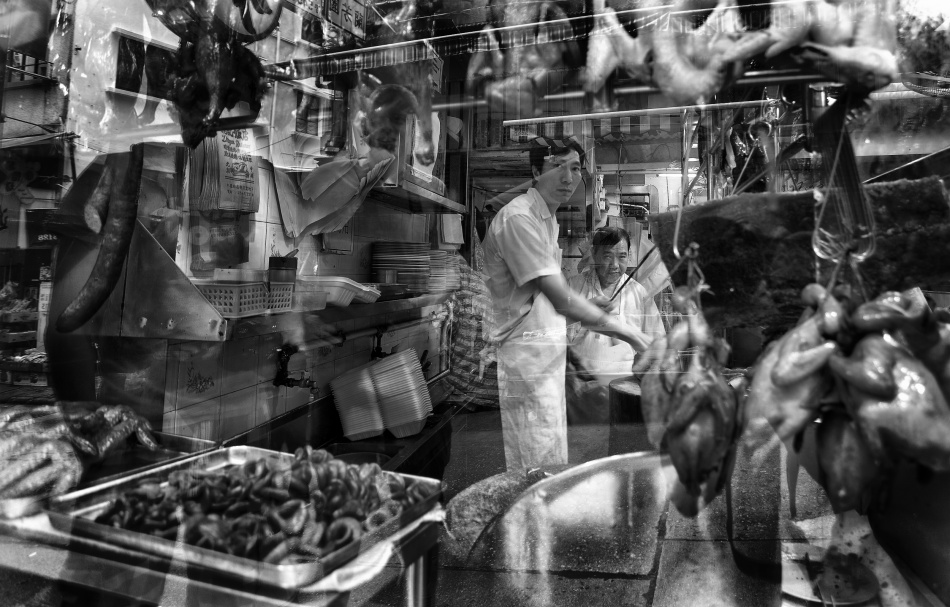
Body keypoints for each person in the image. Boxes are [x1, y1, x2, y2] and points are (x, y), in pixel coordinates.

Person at [481, 141, 653, 470]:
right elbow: (560, 299)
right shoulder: (519, 219)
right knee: (534, 470)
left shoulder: (546, 220)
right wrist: (632, 335)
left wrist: (585, 314)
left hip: (547, 365)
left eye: (574, 168)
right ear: (536, 171)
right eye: (557, 166)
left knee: (550, 465)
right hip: (528, 367)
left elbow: (543, 304)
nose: (568, 177)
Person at [566, 226, 666, 426]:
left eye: (622, 256)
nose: (614, 265)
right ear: (594, 254)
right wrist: (583, 315)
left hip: (625, 391)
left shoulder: (639, 293)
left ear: (629, 256)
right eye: (607, 256)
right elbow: (551, 335)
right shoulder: (572, 287)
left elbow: (657, 343)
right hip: (580, 391)